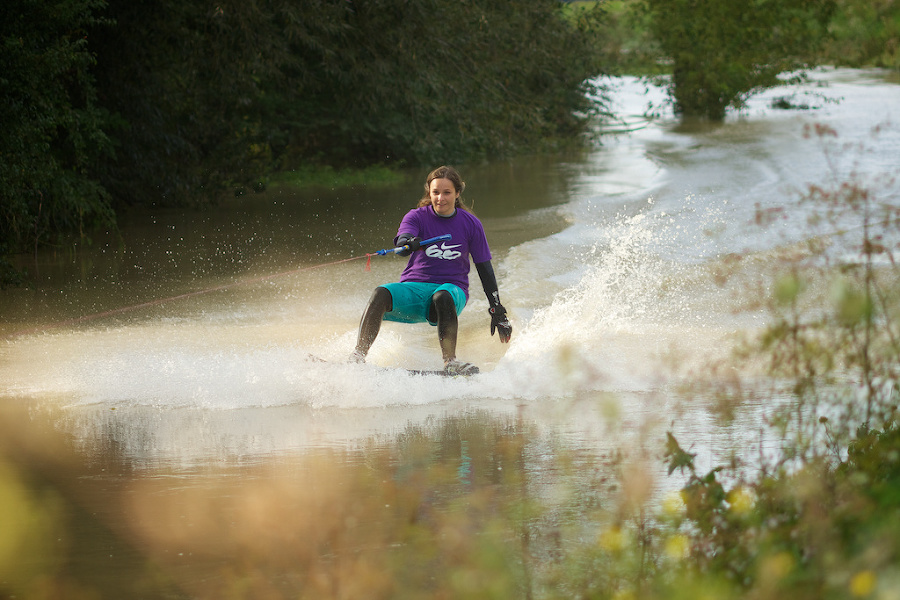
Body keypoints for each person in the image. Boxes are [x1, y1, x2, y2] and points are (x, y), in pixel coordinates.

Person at [350, 165, 512, 375]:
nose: (440, 198)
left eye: (447, 193)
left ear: (457, 193)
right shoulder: (416, 217)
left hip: (452, 292)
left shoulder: (471, 224)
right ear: (429, 191)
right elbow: (402, 244)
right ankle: (356, 358)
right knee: (380, 292)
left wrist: (497, 310)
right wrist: (408, 241)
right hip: (415, 289)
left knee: (441, 296)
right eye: (435, 192)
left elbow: (485, 269)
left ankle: (450, 362)